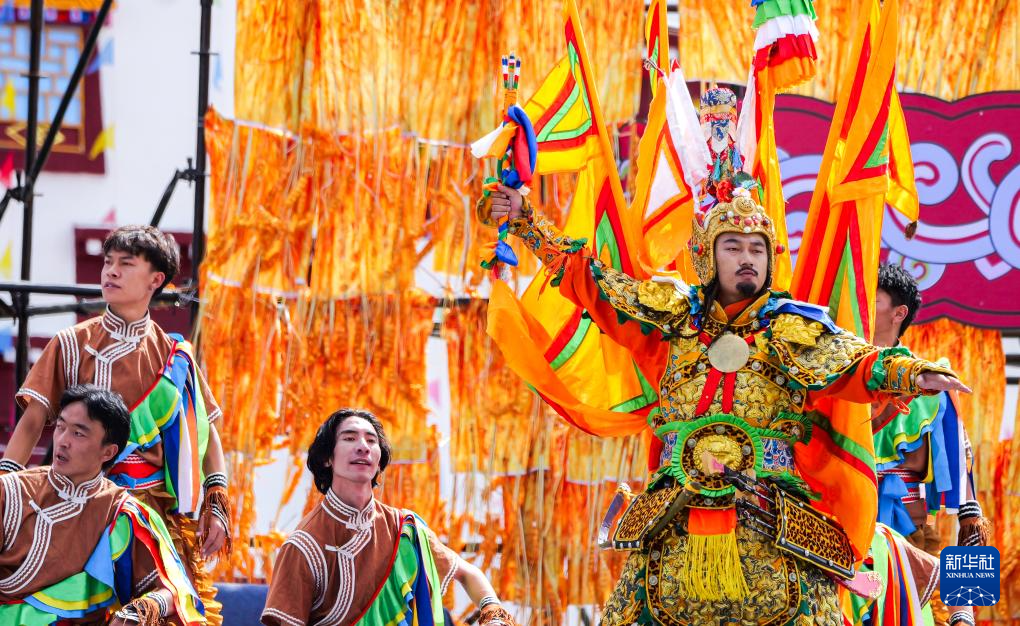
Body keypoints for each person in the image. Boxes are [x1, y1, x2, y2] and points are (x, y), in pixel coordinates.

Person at [485, 87, 969, 625]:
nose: (747, 258)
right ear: (708, 256)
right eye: (733, 247)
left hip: (773, 526)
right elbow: (596, 284)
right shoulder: (672, 317)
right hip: (672, 523)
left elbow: (850, 361)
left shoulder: (790, 327)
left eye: (757, 248)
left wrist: (910, 373)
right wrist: (528, 223)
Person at [0, 225, 230, 624]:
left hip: (153, 512)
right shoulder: (71, 343)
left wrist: (218, 500)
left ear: (156, 280)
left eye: (126, 263)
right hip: (77, 507)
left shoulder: (175, 356)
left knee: (171, 606)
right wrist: (7, 485)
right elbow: (32, 421)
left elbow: (206, 435)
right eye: (108, 262)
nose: (111, 271)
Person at [261, 408, 516, 626]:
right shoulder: (304, 545)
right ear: (327, 458)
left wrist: (493, 613)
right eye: (349, 438)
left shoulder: (404, 529)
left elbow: (469, 574)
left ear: (379, 459)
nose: (363, 446)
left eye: (371, 440)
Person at [0, 384, 205, 625]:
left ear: (108, 452)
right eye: (60, 427)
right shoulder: (10, 492)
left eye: (78, 433)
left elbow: (175, 590)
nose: (63, 441)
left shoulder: (121, 512)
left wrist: (136, 612)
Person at [866, 262, 988, 626]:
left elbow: (970, 513)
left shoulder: (935, 386)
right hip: (835, 540)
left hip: (910, 553)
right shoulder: (825, 379)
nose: (858, 304)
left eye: (871, 298)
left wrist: (964, 610)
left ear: (898, 313)